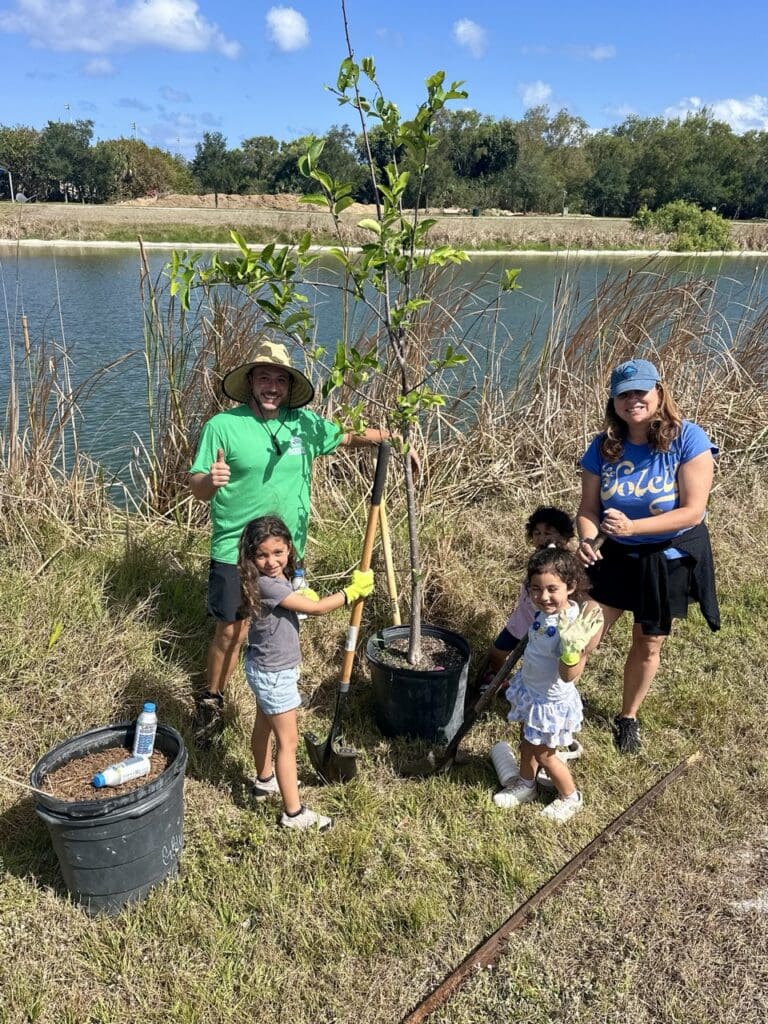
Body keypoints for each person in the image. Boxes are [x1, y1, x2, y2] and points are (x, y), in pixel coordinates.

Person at [188, 339, 415, 738]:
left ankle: (274, 694)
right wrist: (210, 481)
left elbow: (347, 436)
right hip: (235, 551)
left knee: (283, 625)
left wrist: (393, 437)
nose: (271, 385)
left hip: (286, 553)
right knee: (233, 631)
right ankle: (212, 698)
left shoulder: (304, 423)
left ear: (289, 386)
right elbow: (197, 486)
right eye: (264, 377)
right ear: (251, 381)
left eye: (280, 378)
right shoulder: (222, 426)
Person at [576, 358, 719, 754]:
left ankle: (628, 718)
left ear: (659, 392)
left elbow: (693, 510)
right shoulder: (602, 446)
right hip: (613, 555)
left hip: (665, 555)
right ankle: (559, 705)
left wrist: (634, 528)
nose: (632, 400)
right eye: (623, 394)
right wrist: (587, 539)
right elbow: (588, 509)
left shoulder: (688, 438)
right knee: (580, 637)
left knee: (648, 641)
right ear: (613, 401)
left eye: (641, 391)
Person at [238, 515, 374, 830]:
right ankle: (294, 815)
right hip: (274, 673)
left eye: (278, 553)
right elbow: (317, 609)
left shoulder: (268, 579)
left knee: (263, 728)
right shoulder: (267, 583)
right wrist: (350, 594)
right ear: (250, 556)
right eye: (261, 555)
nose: (271, 561)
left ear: (288, 549)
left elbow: (297, 603)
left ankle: (264, 781)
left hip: (261, 668)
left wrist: (300, 596)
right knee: (289, 742)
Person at [492, 547, 603, 823]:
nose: (543, 597)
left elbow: (569, 675)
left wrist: (571, 651)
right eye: (536, 589)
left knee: (546, 754)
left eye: (553, 589)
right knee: (527, 742)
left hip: (549, 702)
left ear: (571, 586)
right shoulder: (544, 612)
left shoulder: (570, 628)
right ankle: (527, 784)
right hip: (532, 691)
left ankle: (570, 797)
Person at [475, 506, 575, 689]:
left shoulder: (565, 564)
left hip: (546, 626)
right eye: (536, 533)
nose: (541, 538)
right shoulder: (536, 558)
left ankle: (530, 686)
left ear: (564, 537)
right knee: (497, 652)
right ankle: (496, 678)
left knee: (536, 660)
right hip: (522, 619)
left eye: (548, 533)